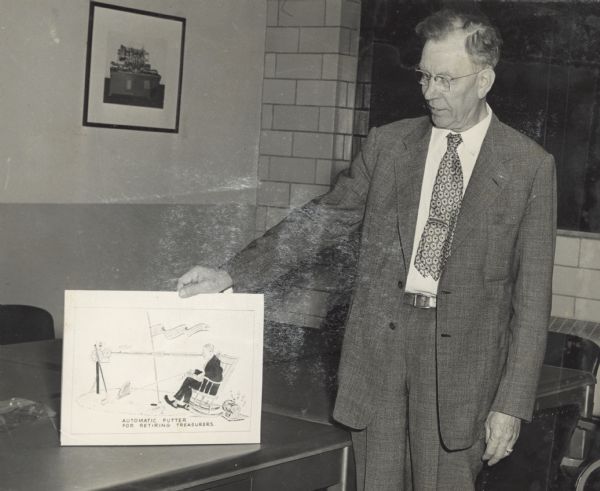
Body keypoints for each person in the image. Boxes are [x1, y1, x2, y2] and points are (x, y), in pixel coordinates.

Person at [176, 7, 556, 490]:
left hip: (463, 377)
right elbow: (323, 219)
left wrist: (511, 404)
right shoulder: (388, 145)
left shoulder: (529, 167)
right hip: (380, 358)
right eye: (424, 75)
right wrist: (232, 273)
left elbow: (532, 303)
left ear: (484, 80)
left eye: (445, 79)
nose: (429, 92)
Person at [165, 343, 223, 408]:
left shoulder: (214, 362)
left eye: (204, 352)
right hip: (207, 385)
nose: (202, 353)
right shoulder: (212, 360)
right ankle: (186, 404)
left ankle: (176, 402)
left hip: (209, 388)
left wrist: (195, 375)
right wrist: (195, 371)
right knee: (189, 381)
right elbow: (208, 373)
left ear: (210, 352)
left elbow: (213, 376)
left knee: (188, 380)